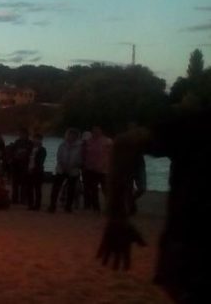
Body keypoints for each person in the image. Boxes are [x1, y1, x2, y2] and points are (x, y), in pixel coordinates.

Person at [98, 112, 211, 302]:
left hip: (187, 252)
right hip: (190, 254)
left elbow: (126, 143)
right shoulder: (198, 124)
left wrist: (117, 216)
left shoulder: (197, 123)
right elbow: (126, 143)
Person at [48, 128, 83, 213]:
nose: (71, 136)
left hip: (73, 170)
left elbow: (81, 158)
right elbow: (59, 156)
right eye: (70, 135)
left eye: (73, 135)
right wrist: (62, 165)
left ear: (76, 136)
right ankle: (52, 205)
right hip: (61, 169)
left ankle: (68, 207)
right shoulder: (62, 145)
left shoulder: (80, 146)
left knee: (71, 190)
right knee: (56, 188)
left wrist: (73, 165)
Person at [83, 125, 113, 212]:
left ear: (101, 131)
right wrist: (86, 165)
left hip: (104, 170)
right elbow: (85, 154)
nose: (95, 131)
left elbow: (112, 155)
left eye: (97, 130)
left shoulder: (108, 141)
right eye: (94, 130)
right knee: (93, 189)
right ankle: (96, 208)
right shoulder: (89, 141)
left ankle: (110, 207)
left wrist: (109, 165)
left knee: (106, 190)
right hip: (91, 169)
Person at [8, 129, 33, 204]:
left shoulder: (30, 143)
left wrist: (21, 153)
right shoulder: (17, 142)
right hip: (16, 165)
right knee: (15, 184)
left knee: (24, 184)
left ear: (27, 135)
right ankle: (15, 199)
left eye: (23, 134)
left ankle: (23, 199)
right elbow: (12, 152)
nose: (21, 136)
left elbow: (29, 153)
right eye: (20, 134)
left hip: (24, 165)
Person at [26, 133, 47, 211]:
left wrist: (33, 168)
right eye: (35, 139)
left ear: (41, 140)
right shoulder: (30, 148)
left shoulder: (42, 150)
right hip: (29, 170)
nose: (36, 141)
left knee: (37, 188)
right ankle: (30, 204)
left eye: (38, 139)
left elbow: (40, 161)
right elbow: (26, 158)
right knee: (29, 188)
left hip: (37, 171)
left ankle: (37, 205)